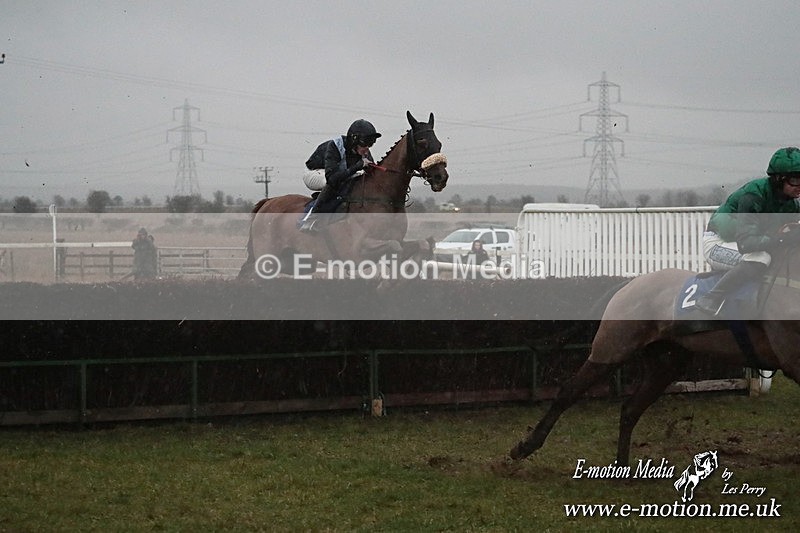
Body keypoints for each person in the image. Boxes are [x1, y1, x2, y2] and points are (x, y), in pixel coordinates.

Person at [695, 147, 800, 315]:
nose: (799, 186)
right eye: (795, 179)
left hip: (748, 243)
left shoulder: (792, 204)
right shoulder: (753, 195)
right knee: (761, 258)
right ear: (780, 179)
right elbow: (747, 244)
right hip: (719, 243)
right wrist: (784, 238)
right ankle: (711, 298)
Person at [299, 119, 381, 232]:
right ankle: (311, 218)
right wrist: (357, 166)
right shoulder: (335, 146)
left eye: (371, 143)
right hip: (314, 172)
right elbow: (332, 179)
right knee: (338, 182)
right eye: (365, 143)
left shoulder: (363, 151)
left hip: (335, 173)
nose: (367, 148)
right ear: (354, 140)